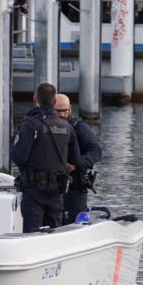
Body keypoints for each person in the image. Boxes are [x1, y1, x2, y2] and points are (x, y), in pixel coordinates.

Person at [11, 83, 83, 233]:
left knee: (32, 232)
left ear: (35, 99)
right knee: (54, 232)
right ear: (55, 102)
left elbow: (18, 157)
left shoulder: (31, 125)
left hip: (33, 191)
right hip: (57, 191)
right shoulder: (67, 127)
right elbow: (76, 159)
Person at [54, 94, 103, 224]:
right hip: (51, 189)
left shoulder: (80, 128)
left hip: (74, 188)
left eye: (64, 110)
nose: (61, 114)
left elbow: (96, 151)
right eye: (57, 111)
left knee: (74, 221)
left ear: (70, 109)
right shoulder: (47, 128)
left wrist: (77, 164)